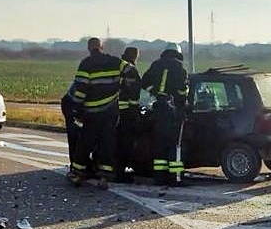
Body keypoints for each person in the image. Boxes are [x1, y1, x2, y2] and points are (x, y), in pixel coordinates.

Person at [68, 37, 122, 187]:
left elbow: (81, 90)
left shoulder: (86, 63)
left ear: (88, 48)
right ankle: (105, 176)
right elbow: (130, 71)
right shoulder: (114, 61)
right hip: (110, 112)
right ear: (101, 47)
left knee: (85, 143)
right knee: (107, 143)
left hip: (92, 113)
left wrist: (77, 109)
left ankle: (78, 173)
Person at [141, 42, 189, 185]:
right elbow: (182, 91)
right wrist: (183, 101)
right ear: (178, 53)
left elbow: (144, 83)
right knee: (175, 145)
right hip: (173, 112)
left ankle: (159, 177)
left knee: (160, 144)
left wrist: (154, 92)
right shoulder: (180, 67)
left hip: (158, 111)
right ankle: (175, 178)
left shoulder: (156, 64)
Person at [114, 46, 142, 183]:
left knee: (115, 141)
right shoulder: (130, 70)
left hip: (111, 110)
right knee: (125, 142)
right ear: (135, 55)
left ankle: (111, 168)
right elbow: (134, 94)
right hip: (125, 113)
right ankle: (121, 172)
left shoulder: (117, 67)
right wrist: (135, 111)